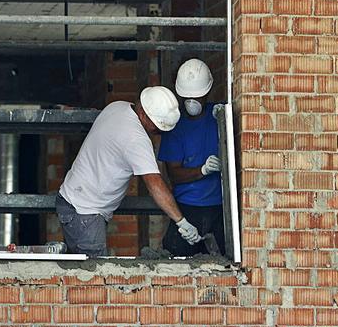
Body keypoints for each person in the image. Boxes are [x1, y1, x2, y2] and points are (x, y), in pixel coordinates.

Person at [56, 86, 203, 257]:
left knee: (84, 273)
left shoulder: (118, 107)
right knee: (94, 277)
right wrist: (181, 221)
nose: (157, 132)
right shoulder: (136, 139)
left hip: (75, 202)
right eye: (157, 128)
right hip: (85, 211)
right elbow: (155, 184)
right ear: (144, 114)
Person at [158, 59, 225, 256]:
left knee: (226, 264)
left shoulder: (219, 117)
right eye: (187, 97)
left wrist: (225, 119)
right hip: (188, 208)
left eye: (196, 97)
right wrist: (202, 170)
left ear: (207, 92)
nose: (192, 102)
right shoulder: (175, 126)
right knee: (177, 262)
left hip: (220, 208)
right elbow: (174, 175)